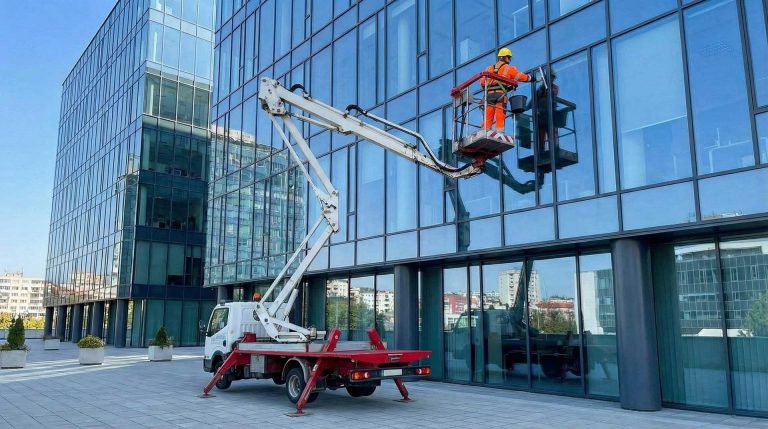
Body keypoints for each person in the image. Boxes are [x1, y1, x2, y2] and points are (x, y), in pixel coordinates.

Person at [480, 48, 536, 131]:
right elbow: (520, 76)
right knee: (500, 115)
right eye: (509, 57)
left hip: (489, 95)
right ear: (504, 57)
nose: (510, 59)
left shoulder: (488, 69)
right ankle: (499, 133)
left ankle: (485, 132)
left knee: (488, 116)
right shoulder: (509, 68)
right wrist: (531, 78)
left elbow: (482, 83)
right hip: (500, 95)